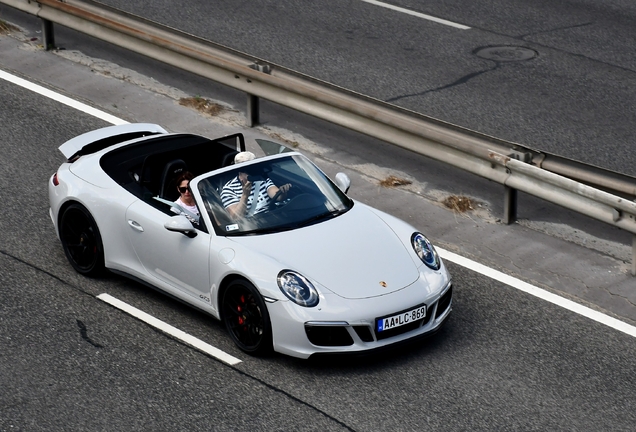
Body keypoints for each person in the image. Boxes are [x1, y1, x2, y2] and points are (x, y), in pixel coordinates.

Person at [221, 151, 291, 219]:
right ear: (241, 170)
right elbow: (237, 217)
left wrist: (282, 191)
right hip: (253, 224)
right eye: (250, 169)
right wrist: (245, 195)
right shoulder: (228, 189)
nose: (254, 171)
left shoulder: (261, 179)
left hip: (271, 218)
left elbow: (277, 196)